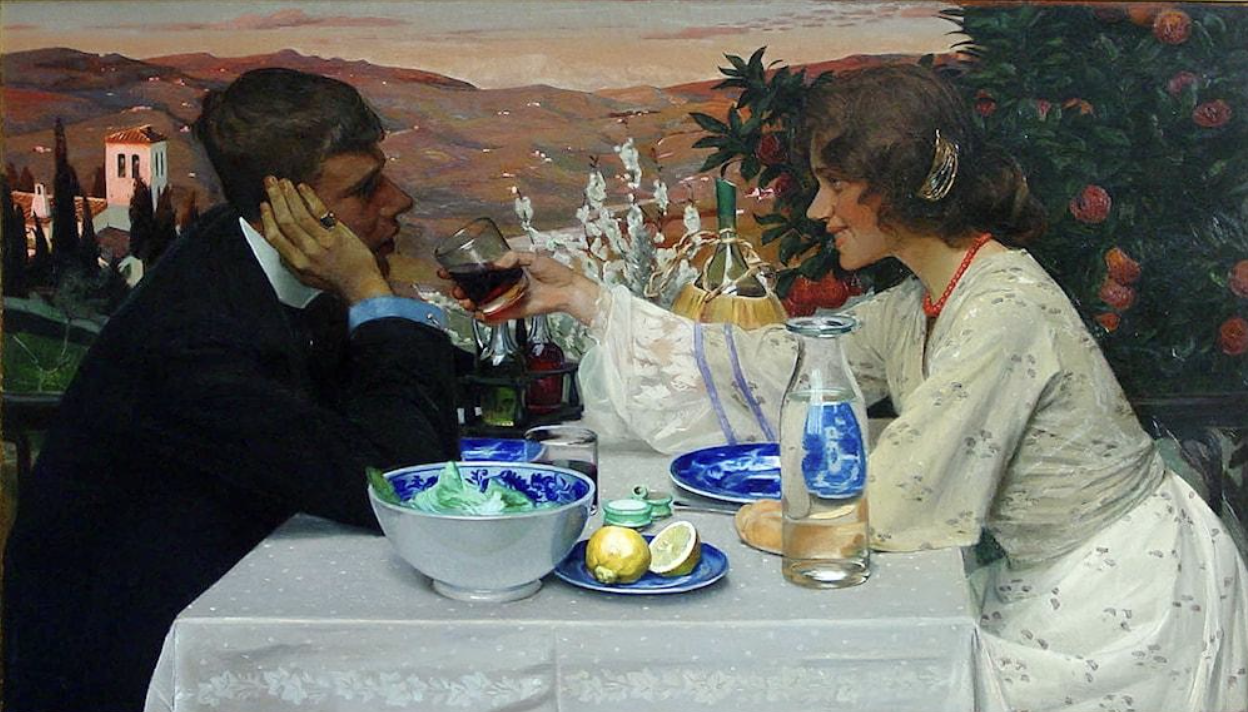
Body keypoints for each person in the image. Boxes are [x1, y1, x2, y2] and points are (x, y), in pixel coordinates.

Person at [449, 65, 1248, 712]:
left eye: (835, 183)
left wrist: (777, 522)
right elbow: (773, 366)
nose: (818, 208)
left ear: (900, 187)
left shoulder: (1003, 307)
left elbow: (910, 488)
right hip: (1058, 577)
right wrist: (585, 298)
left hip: (1123, 592)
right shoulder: (921, 301)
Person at [2, 68, 462, 711]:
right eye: (365, 189)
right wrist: (369, 293)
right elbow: (404, 484)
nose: (400, 200)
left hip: (225, 597)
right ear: (287, 212)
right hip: (129, 663)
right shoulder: (193, 340)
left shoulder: (259, 258)